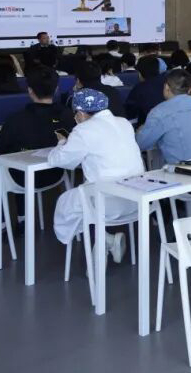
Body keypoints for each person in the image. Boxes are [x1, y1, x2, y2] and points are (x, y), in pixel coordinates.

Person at [48, 89, 144, 262]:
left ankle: (104, 244)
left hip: (108, 202)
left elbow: (60, 160)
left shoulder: (83, 130)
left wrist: (62, 142)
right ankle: (105, 241)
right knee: (85, 199)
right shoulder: (124, 123)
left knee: (68, 203)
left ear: (80, 113)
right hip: (137, 199)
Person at [0, 66, 72, 214]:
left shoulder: (16, 120)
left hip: (21, 179)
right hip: (56, 173)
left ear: (29, 90)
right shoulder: (68, 115)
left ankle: (2, 222)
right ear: (57, 89)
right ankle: (21, 218)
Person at [134, 68, 191, 164]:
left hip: (184, 170)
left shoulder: (160, 111)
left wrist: (140, 130)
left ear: (166, 87)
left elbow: (141, 144)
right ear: (189, 90)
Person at [124, 55, 166, 125]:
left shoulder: (139, 89)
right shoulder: (168, 84)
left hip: (147, 126)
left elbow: (130, 112)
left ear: (140, 73)